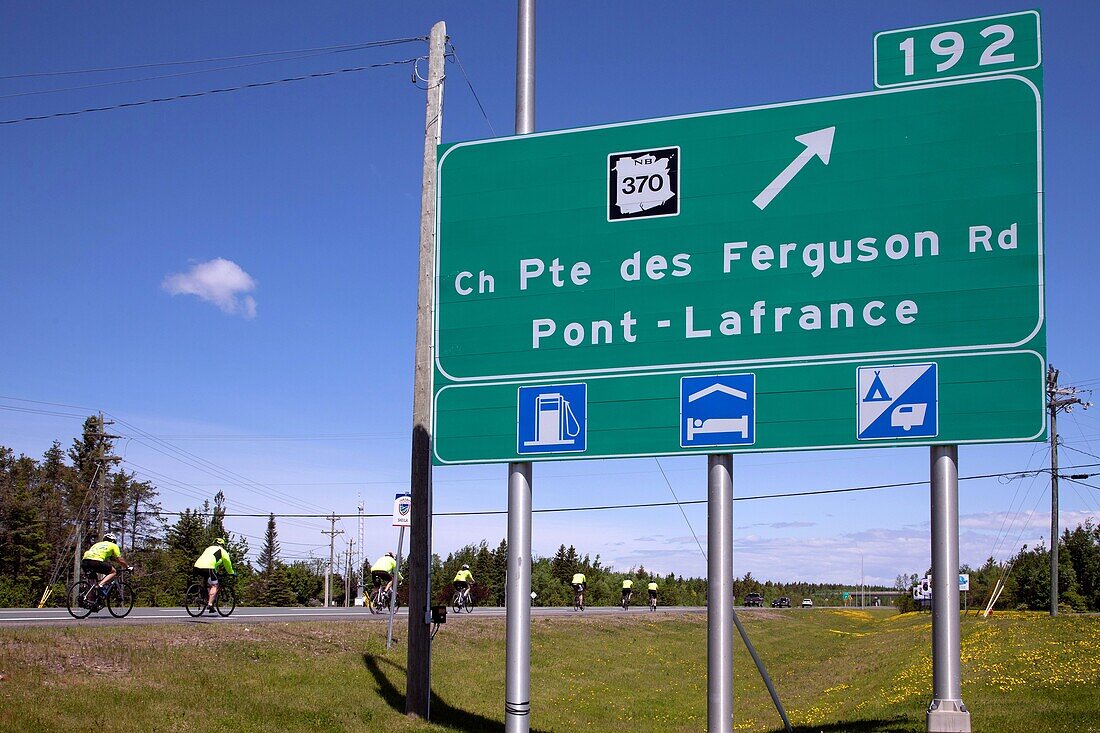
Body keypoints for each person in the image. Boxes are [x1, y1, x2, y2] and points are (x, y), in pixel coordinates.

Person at [81, 532, 130, 603]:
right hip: (96, 561)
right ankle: (100, 585)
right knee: (113, 572)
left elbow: (110, 559)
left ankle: (90, 600)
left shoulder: (96, 544)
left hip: (85, 562)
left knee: (93, 581)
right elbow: (120, 559)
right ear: (113, 541)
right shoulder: (113, 545)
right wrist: (127, 567)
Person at [193, 537, 235, 614]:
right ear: (222, 545)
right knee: (214, 585)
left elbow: (212, 561)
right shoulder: (222, 551)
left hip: (197, 566)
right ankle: (210, 604)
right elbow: (227, 563)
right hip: (208, 567)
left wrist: (215, 572)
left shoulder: (208, 548)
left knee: (208, 582)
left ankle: (203, 598)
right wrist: (231, 572)